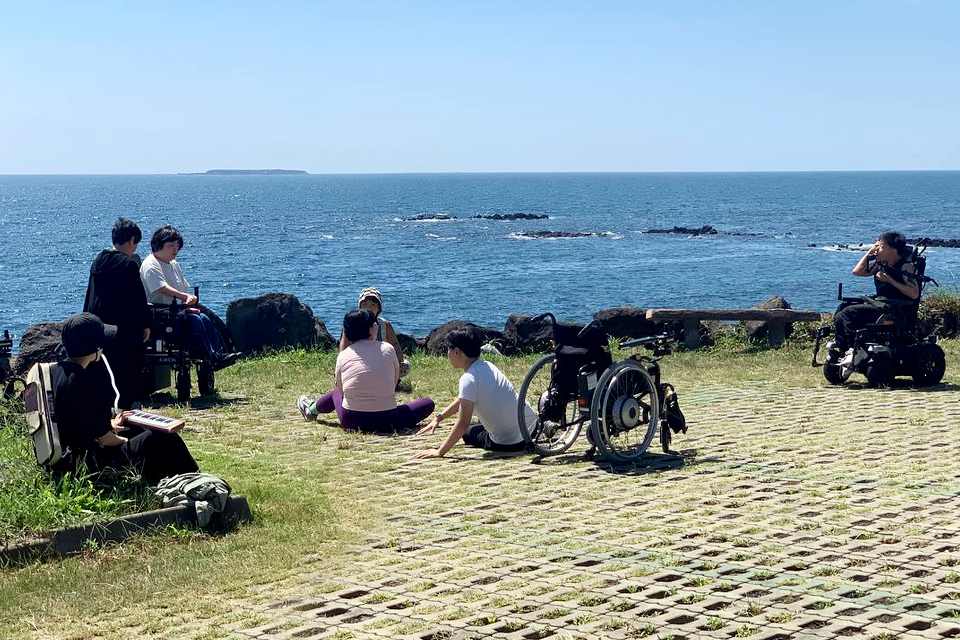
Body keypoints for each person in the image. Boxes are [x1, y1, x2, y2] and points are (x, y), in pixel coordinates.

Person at [50, 313, 199, 485]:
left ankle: (166, 480)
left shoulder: (55, 372)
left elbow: (79, 422)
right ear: (95, 347)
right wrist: (128, 442)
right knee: (160, 437)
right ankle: (196, 482)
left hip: (68, 456)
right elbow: (106, 440)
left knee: (133, 428)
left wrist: (110, 426)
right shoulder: (86, 381)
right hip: (93, 463)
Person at [297, 309, 434, 433]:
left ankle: (311, 410)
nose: (376, 326)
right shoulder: (387, 348)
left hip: (351, 421)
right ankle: (310, 409)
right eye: (374, 324)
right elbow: (393, 383)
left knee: (335, 393)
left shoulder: (343, 355)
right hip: (388, 420)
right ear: (370, 329)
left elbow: (341, 390)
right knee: (427, 403)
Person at [414, 327, 533, 459]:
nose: (447, 353)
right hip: (530, 429)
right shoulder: (488, 366)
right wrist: (439, 418)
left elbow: (463, 423)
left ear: (457, 352)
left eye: (448, 349)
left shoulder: (468, 379)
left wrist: (440, 452)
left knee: (468, 432)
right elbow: (463, 399)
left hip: (510, 442)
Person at [139, 225, 238, 371]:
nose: (175, 249)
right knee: (196, 320)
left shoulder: (173, 264)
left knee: (203, 318)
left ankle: (218, 353)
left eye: (177, 245)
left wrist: (187, 306)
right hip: (161, 315)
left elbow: (181, 287)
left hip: (177, 312)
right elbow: (161, 287)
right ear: (158, 245)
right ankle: (211, 356)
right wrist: (184, 296)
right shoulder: (150, 264)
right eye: (171, 245)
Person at [83, 218, 152, 409]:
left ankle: (107, 403)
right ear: (131, 241)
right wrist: (146, 323)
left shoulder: (99, 260)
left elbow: (91, 293)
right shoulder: (128, 265)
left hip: (100, 324)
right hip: (124, 326)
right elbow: (137, 298)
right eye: (135, 243)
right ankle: (129, 403)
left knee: (105, 366)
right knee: (130, 365)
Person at [833, 231, 920, 367]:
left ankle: (856, 351)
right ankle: (845, 351)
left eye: (881, 247)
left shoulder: (905, 266)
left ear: (893, 250)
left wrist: (890, 280)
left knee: (850, 313)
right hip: (881, 305)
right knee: (842, 309)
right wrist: (869, 253)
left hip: (895, 311)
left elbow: (914, 293)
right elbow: (857, 272)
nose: (878, 250)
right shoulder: (880, 265)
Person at [339, 287, 410, 377]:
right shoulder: (351, 324)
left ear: (378, 309)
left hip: (381, 363)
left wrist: (397, 360)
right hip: (358, 363)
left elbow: (395, 345)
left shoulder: (385, 325)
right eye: (365, 304)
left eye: (373, 305)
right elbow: (343, 350)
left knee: (405, 365)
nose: (368, 308)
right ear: (359, 307)